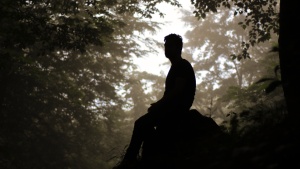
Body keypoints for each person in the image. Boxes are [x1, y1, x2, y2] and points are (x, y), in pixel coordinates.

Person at [113, 33, 196, 169]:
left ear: (177, 48)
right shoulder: (177, 66)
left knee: (140, 124)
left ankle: (129, 160)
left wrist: (159, 105)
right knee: (147, 129)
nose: (166, 49)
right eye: (165, 46)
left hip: (177, 109)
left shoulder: (182, 65)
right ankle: (143, 159)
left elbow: (178, 90)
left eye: (169, 46)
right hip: (172, 108)